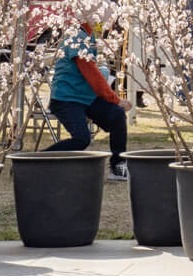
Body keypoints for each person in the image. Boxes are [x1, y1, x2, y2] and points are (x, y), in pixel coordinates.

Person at [45, 17, 132, 180]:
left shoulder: (89, 34)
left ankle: (117, 165)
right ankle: (36, 162)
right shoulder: (76, 35)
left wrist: (115, 102)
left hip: (87, 97)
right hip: (66, 98)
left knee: (117, 115)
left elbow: (94, 73)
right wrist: (116, 99)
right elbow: (90, 72)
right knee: (81, 138)